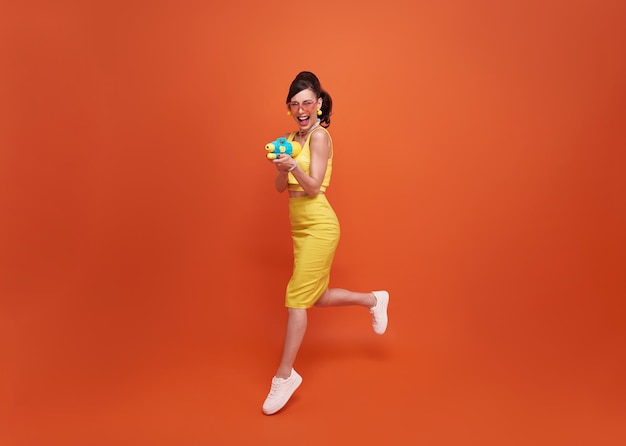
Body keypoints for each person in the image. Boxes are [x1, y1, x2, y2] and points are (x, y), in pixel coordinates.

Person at [262, 71, 390, 415]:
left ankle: (284, 376)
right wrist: (280, 168)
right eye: (294, 104)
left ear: (318, 105)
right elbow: (280, 188)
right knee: (315, 296)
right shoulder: (291, 137)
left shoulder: (319, 137)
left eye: (307, 102)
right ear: (290, 109)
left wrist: (293, 166)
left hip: (319, 224)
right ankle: (373, 300)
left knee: (295, 298)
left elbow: (315, 186)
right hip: (299, 227)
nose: (301, 109)